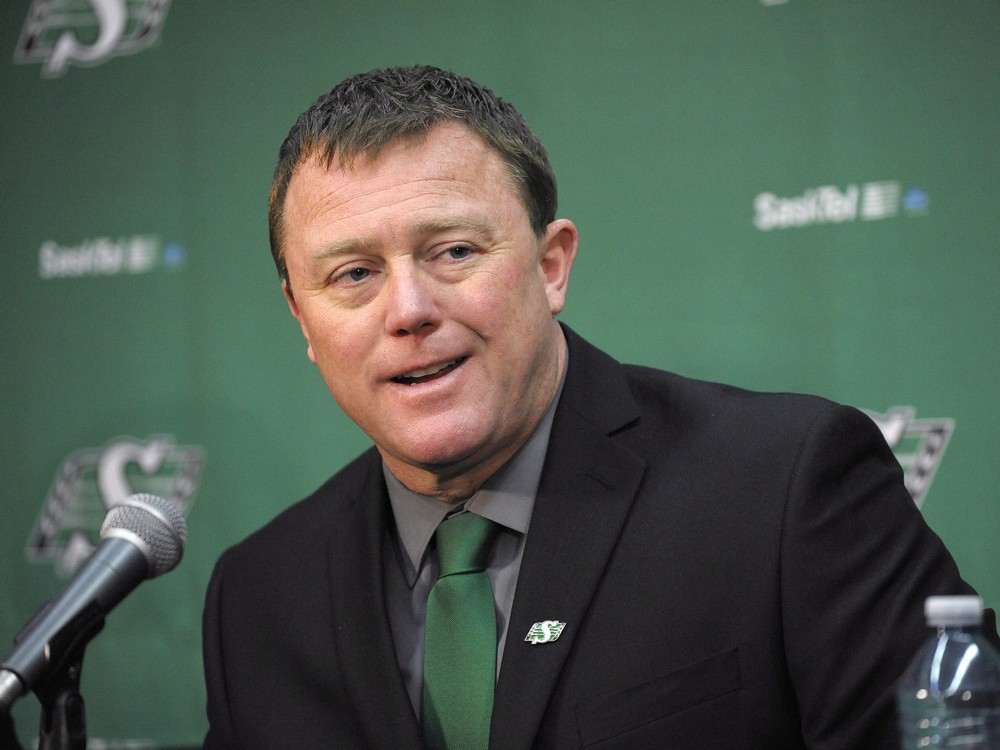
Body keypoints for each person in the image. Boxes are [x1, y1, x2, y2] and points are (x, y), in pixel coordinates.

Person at [201, 65, 996, 749]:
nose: (407, 309)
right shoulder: (259, 597)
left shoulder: (783, 487)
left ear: (551, 266)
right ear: (304, 321)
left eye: (453, 252)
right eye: (353, 275)